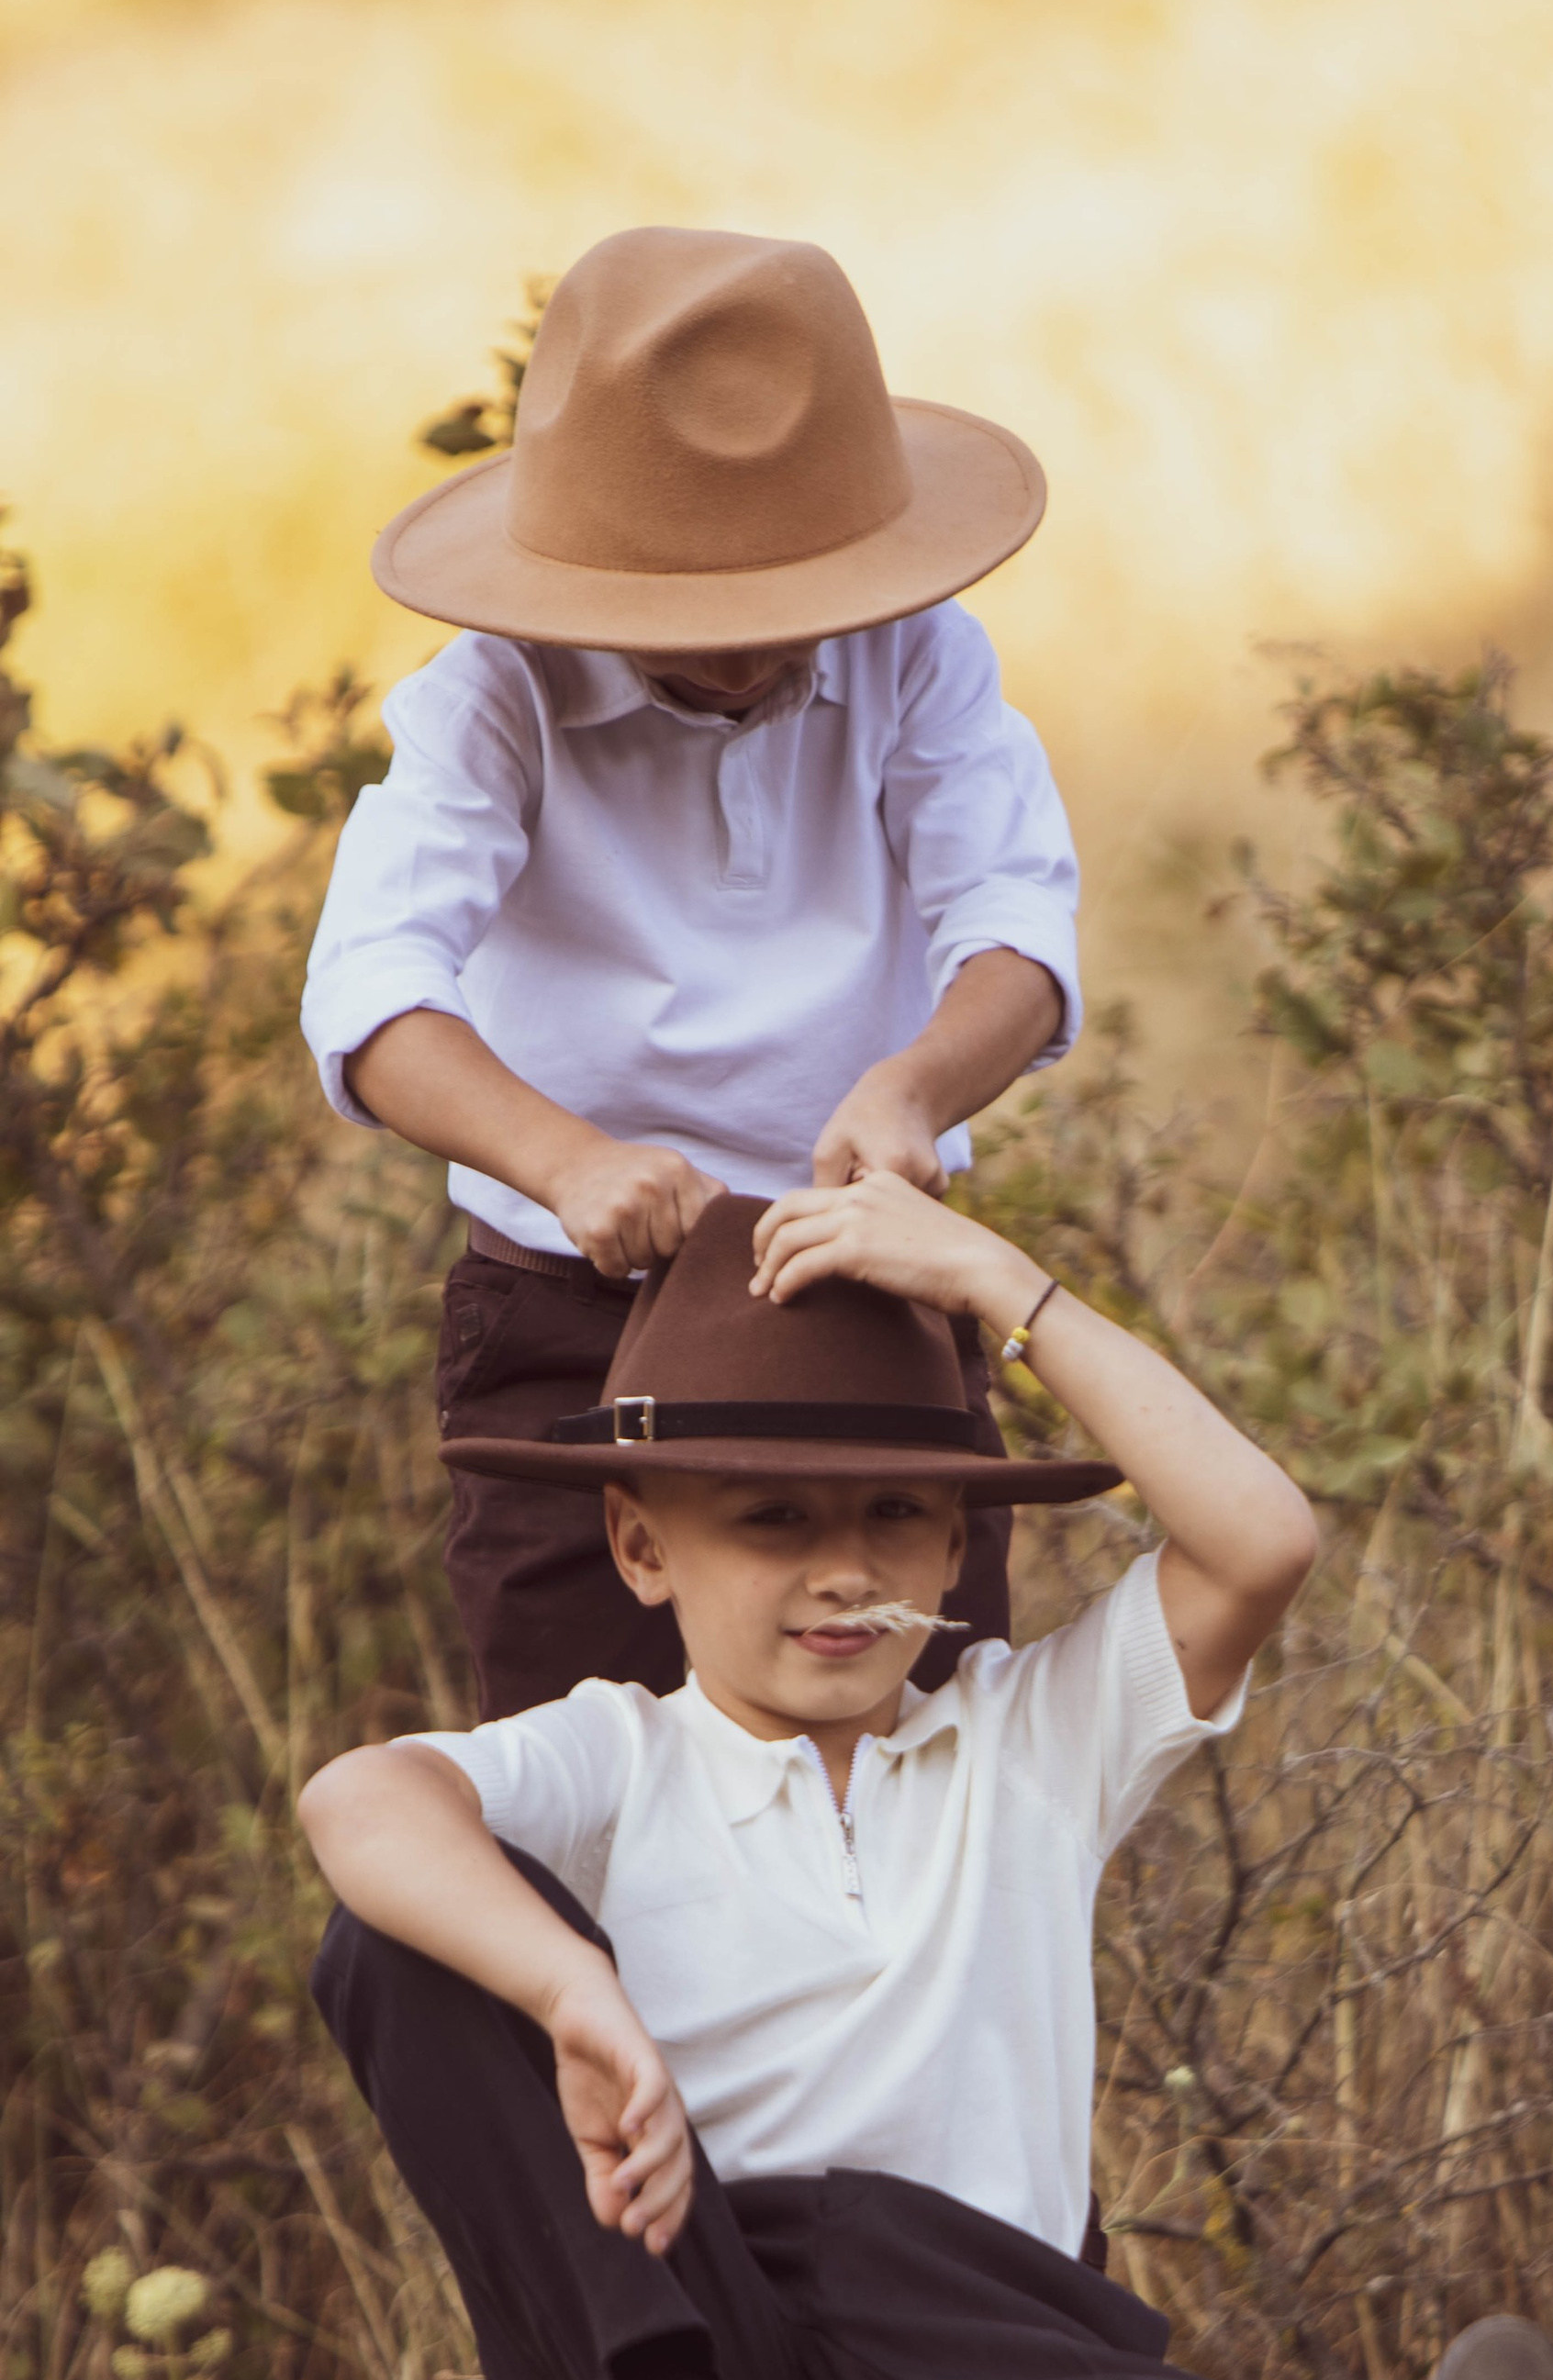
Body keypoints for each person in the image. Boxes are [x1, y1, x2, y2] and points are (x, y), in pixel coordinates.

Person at [299, 1181, 1553, 2380]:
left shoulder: (1028, 1739)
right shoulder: (617, 1757)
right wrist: (573, 1988)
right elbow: (359, 1802)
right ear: (639, 1542)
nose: (846, 1572)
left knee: (1038, 2353)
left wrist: (1003, 1286)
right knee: (398, 1939)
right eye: (771, 1522)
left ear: (963, 1539)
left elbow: (1261, 1535)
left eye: (902, 1516)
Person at [301, 225, 1080, 1717]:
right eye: (688, 619)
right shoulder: (493, 697)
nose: (735, 657)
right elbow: (374, 991)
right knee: (596, 1779)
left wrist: (914, 1088)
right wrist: (569, 1161)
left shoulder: (924, 657)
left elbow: (1019, 935)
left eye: (778, 608)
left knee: (912, 1759)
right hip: (570, 1308)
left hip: (866, 1284)